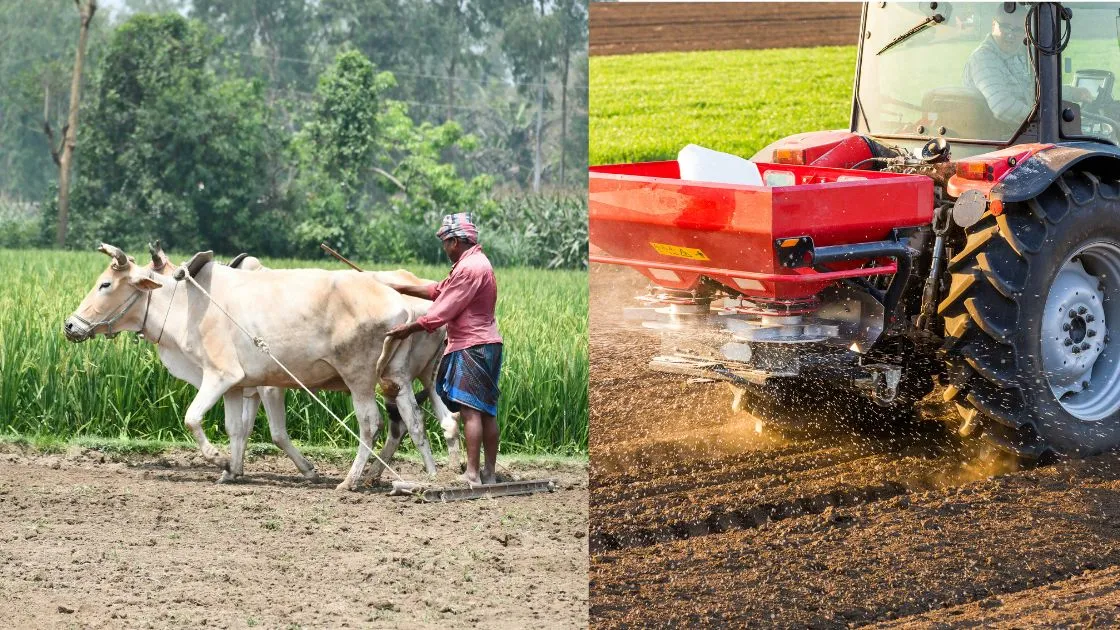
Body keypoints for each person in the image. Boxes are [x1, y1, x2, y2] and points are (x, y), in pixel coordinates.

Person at [385, 213, 503, 486]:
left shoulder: (469, 268)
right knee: (486, 411)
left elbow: (443, 311)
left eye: (445, 243)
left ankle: (472, 473)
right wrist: (398, 286)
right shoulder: (476, 262)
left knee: (471, 411)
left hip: (472, 345)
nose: (444, 249)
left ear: (455, 241)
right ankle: (489, 473)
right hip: (487, 343)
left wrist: (409, 328)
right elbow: (440, 290)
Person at [963, 8, 1093, 125]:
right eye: (1005, 26)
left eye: (1018, 29)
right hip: (1001, 140)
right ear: (993, 25)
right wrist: (1046, 121)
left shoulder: (1023, 54)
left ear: (1026, 31)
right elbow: (1002, 107)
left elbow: (1037, 90)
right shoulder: (984, 59)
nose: (1010, 34)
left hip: (1019, 133)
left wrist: (1073, 93)